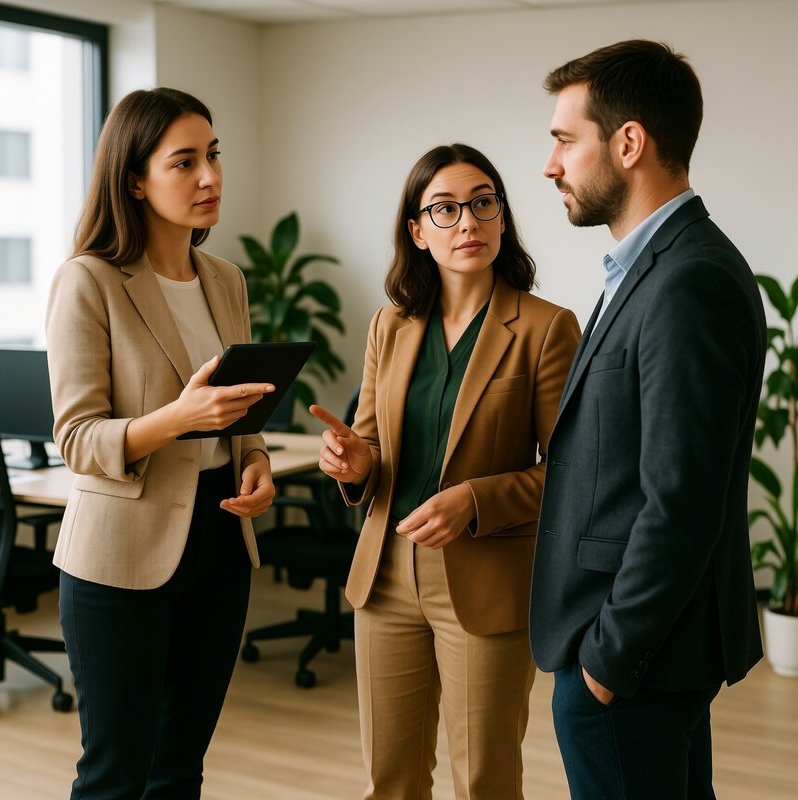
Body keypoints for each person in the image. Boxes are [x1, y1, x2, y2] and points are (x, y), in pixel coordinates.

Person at [529, 40, 767, 800]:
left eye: (566, 140)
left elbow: (681, 503)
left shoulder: (687, 280)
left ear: (629, 142)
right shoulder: (654, 265)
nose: (550, 164)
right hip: (639, 653)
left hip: (630, 659)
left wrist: (605, 664)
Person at [310, 143, 581, 799]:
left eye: (484, 203)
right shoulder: (390, 326)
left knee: (484, 779)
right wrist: (353, 461)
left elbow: (573, 475)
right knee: (391, 779)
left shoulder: (546, 328)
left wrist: (476, 499)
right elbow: (372, 447)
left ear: (502, 217)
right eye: (446, 209)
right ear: (416, 230)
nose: (469, 222)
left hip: (486, 579)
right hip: (385, 578)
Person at [46, 87, 277, 799]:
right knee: (116, 775)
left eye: (213, 156)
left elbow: (235, 416)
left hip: (217, 542)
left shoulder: (225, 279)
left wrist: (258, 462)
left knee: (180, 766)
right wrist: (179, 418)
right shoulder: (89, 280)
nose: (209, 177)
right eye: (184, 162)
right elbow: (78, 439)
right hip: (121, 556)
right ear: (135, 180)